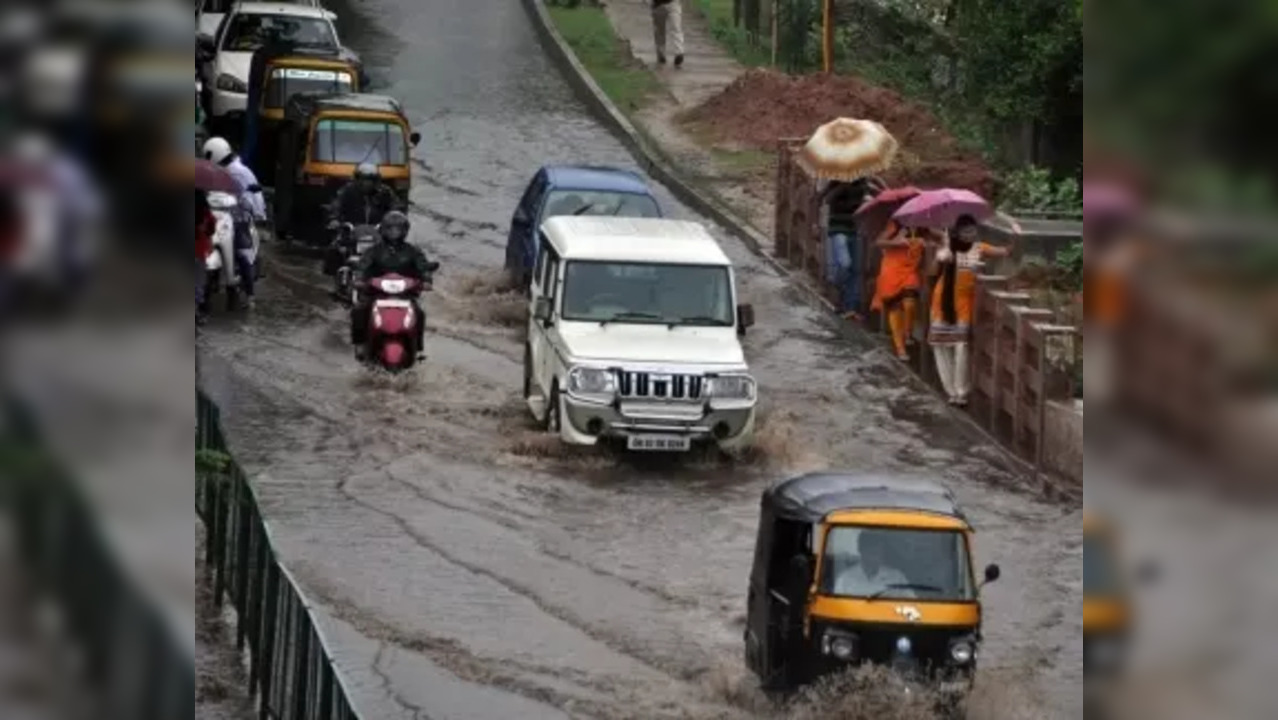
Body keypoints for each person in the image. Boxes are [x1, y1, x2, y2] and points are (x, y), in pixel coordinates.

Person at [928, 214, 1013, 406]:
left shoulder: (979, 248)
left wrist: (1014, 232)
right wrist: (940, 256)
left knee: (961, 346)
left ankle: (961, 390)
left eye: (973, 231)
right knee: (940, 346)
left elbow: (1005, 252)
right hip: (942, 301)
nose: (970, 235)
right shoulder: (947, 248)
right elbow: (932, 272)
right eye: (966, 232)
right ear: (958, 232)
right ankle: (950, 390)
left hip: (964, 303)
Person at [350, 211, 439, 360]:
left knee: (420, 313)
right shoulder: (374, 250)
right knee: (359, 310)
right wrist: (359, 278)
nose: (394, 232)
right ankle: (359, 343)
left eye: (398, 229)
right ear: (384, 229)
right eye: (390, 228)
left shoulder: (412, 251)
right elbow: (362, 265)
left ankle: (418, 348)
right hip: (376, 292)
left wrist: (427, 280)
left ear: (404, 231)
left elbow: (423, 266)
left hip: (405, 293)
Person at [204, 137, 265, 306]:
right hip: (218, 214)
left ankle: (251, 296)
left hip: (239, 216)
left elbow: (252, 197)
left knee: (241, 253)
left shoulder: (239, 172)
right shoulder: (215, 171)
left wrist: (251, 210)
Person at [872, 220, 929, 360]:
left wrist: (932, 242)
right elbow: (879, 242)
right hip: (891, 270)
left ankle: (908, 332)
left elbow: (940, 238)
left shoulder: (924, 226)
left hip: (909, 271)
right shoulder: (894, 224)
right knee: (895, 308)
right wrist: (896, 243)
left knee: (910, 303)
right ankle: (900, 347)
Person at [832, 530, 914, 598]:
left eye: (877, 551)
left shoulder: (897, 577)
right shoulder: (845, 579)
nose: (874, 556)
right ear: (861, 550)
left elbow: (912, 604)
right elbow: (837, 608)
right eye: (871, 551)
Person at [328, 162, 403, 229]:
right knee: (336, 243)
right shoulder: (347, 191)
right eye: (363, 179)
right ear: (357, 179)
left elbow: (396, 207)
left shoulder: (385, 192)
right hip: (351, 232)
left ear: (376, 180)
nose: (366, 183)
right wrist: (334, 219)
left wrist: (395, 219)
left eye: (370, 180)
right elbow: (336, 205)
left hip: (379, 233)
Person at [195, 190, 216, 324]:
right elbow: (211, 229)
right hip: (198, 250)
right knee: (198, 281)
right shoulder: (205, 212)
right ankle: (196, 310)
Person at [651, 0, 685, 68]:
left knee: (676, 27)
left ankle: (679, 52)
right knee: (659, 31)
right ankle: (661, 53)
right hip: (658, 4)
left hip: (674, 3)